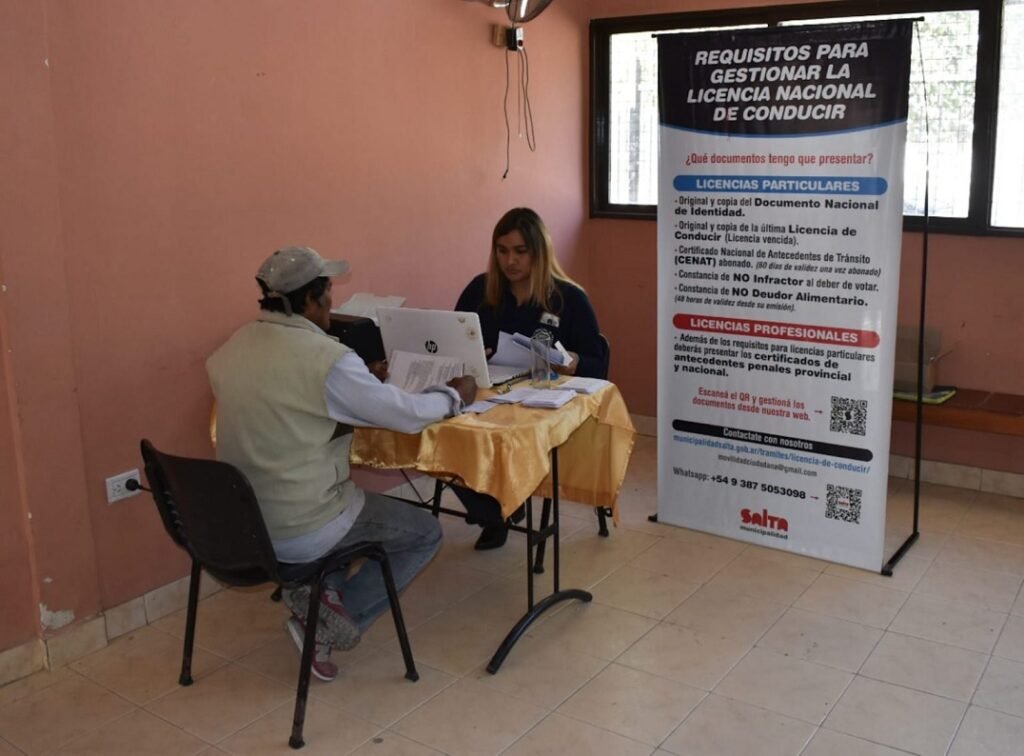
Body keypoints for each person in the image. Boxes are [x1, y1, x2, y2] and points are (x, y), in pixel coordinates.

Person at [208, 246, 476, 682]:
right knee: (424, 533)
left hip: (246, 525)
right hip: (302, 525)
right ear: (311, 300)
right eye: (328, 294)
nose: (332, 304)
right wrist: (454, 396)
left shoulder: (232, 348)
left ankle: (318, 592)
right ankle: (325, 621)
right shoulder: (326, 360)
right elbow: (406, 416)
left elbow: (286, 404)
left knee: (342, 504)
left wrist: (360, 381)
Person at [453, 207, 606, 550]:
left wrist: (575, 362)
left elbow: (598, 365)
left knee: (502, 433)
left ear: (540, 252)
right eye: (502, 250)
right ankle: (494, 509)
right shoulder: (481, 290)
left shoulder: (568, 298)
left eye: (521, 251)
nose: (510, 261)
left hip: (539, 403)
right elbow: (454, 339)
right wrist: (474, 354)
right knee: (443, 428)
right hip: (489, 396)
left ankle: (500, 505)